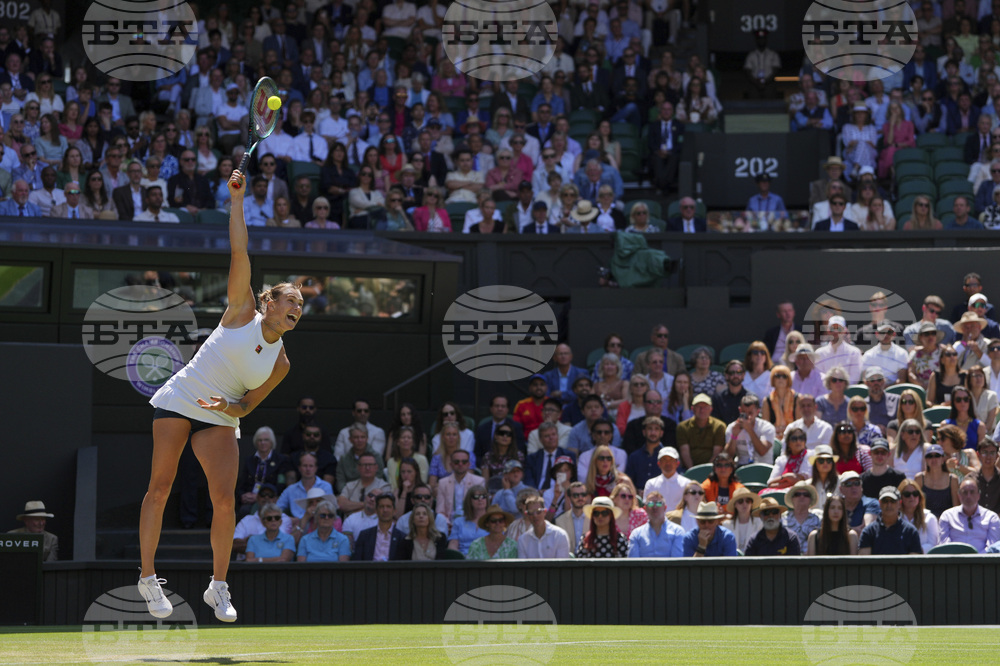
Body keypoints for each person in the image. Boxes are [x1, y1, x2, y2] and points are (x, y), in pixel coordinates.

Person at [137, 169, 298, 623]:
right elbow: (240, 248)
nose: (296, 311)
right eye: (291, 303)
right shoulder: (242, 306)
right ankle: (148, 579)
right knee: (160, 488)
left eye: (301, 308)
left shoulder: (281, 363)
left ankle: (218, 586)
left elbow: (247, 405)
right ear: (269, 303)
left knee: (224, 500)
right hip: (182, 395)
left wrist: (227, 407)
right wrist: (236, 200)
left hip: (219, 413)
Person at [858, 486, 922, 554]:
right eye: (885, 501)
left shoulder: (911, 532)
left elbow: (914, 562)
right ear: (880, 503)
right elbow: (865, 561)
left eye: (893, 501)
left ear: (899, 503)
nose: (889, 505)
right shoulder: (869, 532)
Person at [626, 490, 685, 557]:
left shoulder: (677, 531)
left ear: (665, 508)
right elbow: (634, 563)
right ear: (645, 508)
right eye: (650, 504)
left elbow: (677, 562)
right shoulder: (636, 534)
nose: (655, 507)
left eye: (659, 503)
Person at [350, 494, 406, 562]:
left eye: (388, 506)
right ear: (376, 511)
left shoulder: (402, 538)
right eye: (381, 507)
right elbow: (357, 562)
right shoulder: (364, 535)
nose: (385, 510)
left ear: (394, 511)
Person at [725, 392, 776, 466]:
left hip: (762, 466)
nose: (747, 416)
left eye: (750, 413)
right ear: (739, 410)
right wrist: (734, 436)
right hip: (742, 467)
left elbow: (762, 451)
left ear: (758, 412)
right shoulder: (732, 427)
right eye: (744, 413)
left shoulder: (767, 427)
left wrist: (749, 430)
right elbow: (728, 455)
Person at [436, 450, 485, 522]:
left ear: (468, 464)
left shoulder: (478, 481)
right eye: (456, 462)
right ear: (451, 465)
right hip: (449, 522)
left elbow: (479, 509)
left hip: (470, 521)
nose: (460, 464)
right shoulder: (443, 483)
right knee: (439, 519)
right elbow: (440, 511)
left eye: (464, 462)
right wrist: (447, 523)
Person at [898, 480, 940, 553]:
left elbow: (933, 545)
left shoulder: (930, 518)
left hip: (922, 561)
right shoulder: (895, 518)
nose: (912, 497)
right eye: (907, 494)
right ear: (900, 498)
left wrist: (915, 552)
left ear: (920, 496)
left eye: (915, 493)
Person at [782, 480, 822, 552]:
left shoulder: (818, 519)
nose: (802, 497)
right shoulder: (783, 518)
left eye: (806, 495)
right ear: (792, 499)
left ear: (810, 499)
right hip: (788, 560)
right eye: (797, 494)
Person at [722, 486, 762, 552]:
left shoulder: (760, 523)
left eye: (748, 501)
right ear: (735, 505)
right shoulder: (726, 525)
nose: (744, 504)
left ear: (751, 504)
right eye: (740, 501)